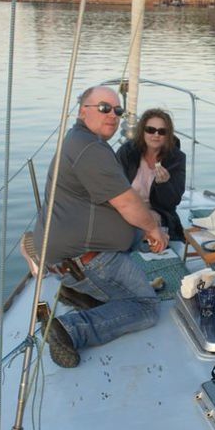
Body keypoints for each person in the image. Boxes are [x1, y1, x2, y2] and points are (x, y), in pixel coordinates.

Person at [31, 85, 168, 368]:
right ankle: (70, 329)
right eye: (104, 108)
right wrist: (153, 229)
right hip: (91, 260)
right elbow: (127, 203)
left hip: (76, 260)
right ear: (83, 111)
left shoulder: (82, 141)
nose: (113, 115)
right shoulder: (89, 149)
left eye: (117, 111)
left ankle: (80, 292)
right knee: (147, 307)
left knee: (138, 241)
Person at [116, 108, 186, 242]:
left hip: (158, 212)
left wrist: (163, 185)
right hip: (127, 209)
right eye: (150, 129)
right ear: (142, 131)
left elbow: (172, 203)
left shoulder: (176, 158)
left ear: (168, 135)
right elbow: (115, 189)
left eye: (162, 131)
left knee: (151, 220)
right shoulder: (127, 153)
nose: (156, 135)